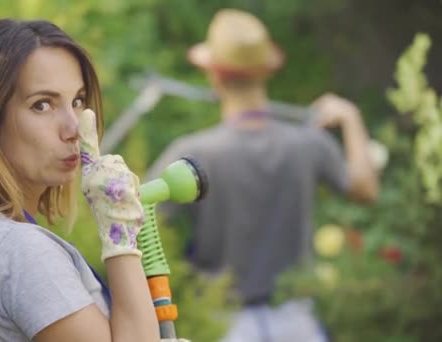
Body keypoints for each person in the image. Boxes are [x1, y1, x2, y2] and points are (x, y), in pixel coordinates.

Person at [0, 19, 169, 341]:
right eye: (42, 105)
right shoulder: (21, 252)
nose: (73, 128)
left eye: (78, 101)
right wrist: (119, 237)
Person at [147, 9, 379, 341]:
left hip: (222, 324)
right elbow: (366, 189)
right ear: (266, 70)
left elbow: (139, 216)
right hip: (297, 321)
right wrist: (351, 118)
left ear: (215, 75)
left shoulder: (192, 153)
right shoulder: (309, 143)